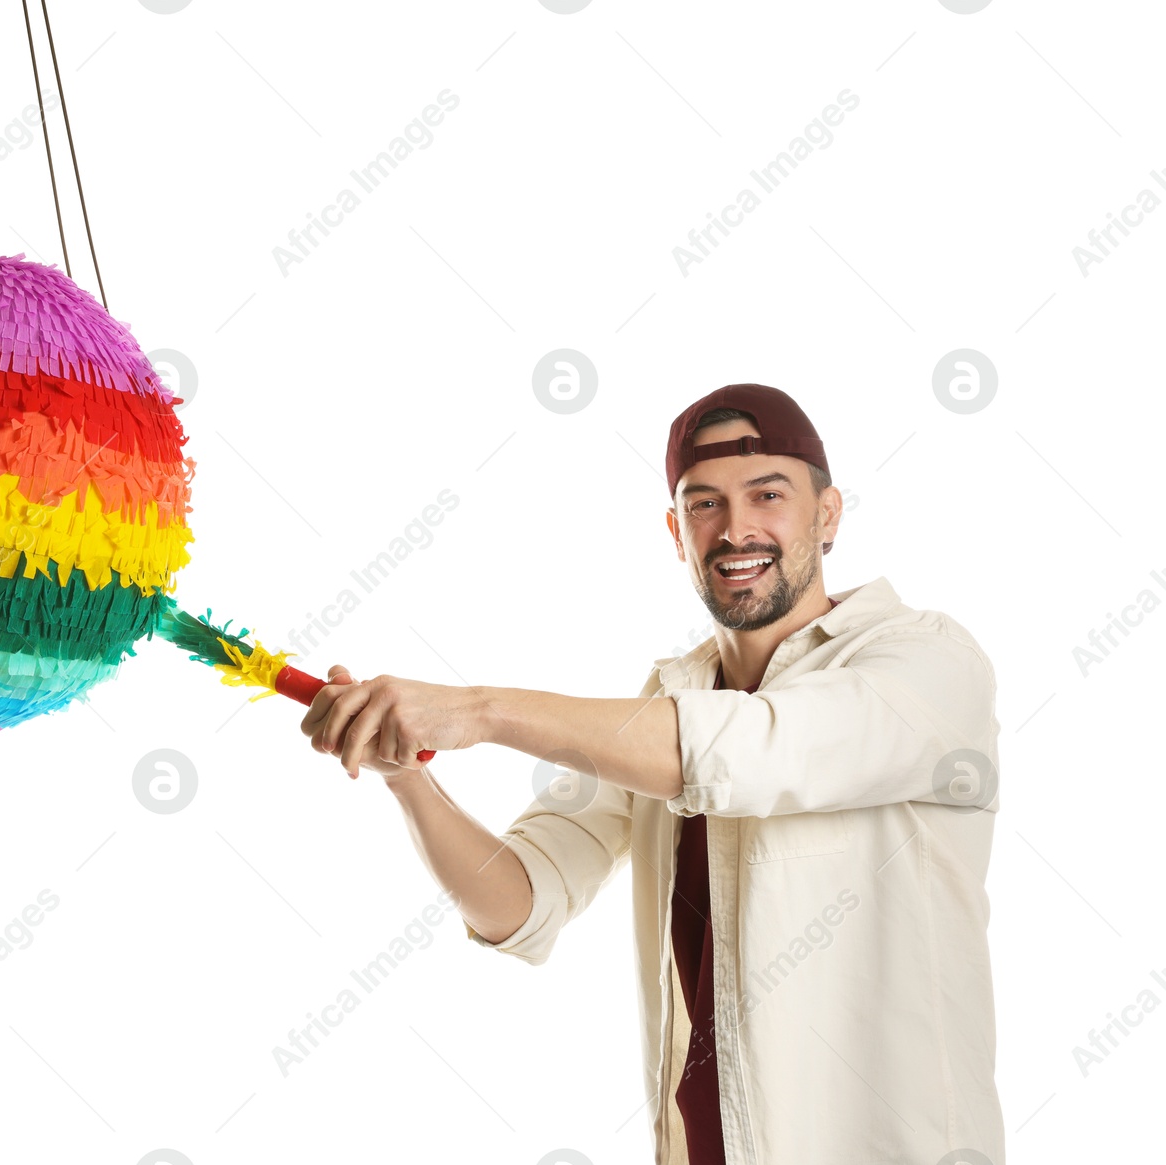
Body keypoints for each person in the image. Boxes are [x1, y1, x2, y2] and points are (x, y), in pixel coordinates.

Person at [298, 383, 1005, 1164]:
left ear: (828, 513)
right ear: (676, 532)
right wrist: (409, 778)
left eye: (767, 494)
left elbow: (747, 750)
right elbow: (520, 901)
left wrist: (478, 711)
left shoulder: (928, 662)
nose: (735, 528)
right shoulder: (666, 706)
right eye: (704, 504)